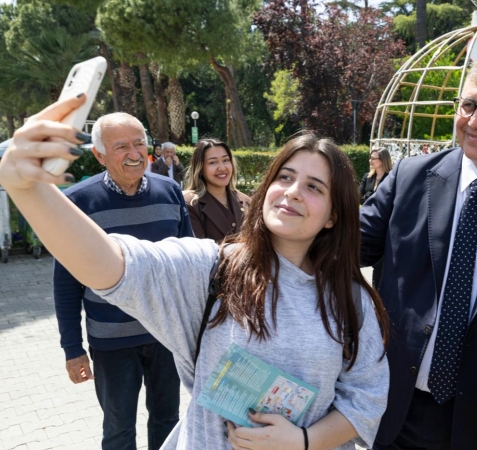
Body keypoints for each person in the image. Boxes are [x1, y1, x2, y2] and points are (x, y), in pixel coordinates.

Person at [0, 95, 390, 450]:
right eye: (284, 177)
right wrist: (27, 188)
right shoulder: (213, 268)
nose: (291, 192)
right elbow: (108, 264)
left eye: (314, 188)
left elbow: (365, 399)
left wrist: (304, 440)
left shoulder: (351, 299)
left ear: (333, 216)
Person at [360, 51, 477, 450]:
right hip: (394, 409)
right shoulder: (411, 178)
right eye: (468, 105)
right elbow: (345, 245)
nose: (475, 121)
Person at [52, 112, 193, 449]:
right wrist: (73, 349)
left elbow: (188, 265)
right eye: (121, 146)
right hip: (111, 341)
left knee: (168, 421)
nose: (134, 153)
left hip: (166, 334)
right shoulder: (79, 203)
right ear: (99, 155)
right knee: (118, 431)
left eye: (139, 143)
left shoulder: (170, 191)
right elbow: (66, 284)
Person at [183, 137, 251, 243]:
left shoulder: (246, 201)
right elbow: (197, 250)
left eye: (226, 160)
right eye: (213, 162)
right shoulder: (190, 203)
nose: (222, 167)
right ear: (200, 168)